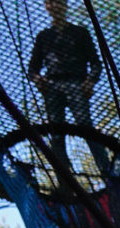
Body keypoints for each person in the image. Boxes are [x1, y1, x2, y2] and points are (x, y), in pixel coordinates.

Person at [27, 0, 100, 131]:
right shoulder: (44, 37)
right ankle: (57, 152)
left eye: (58, 2)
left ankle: (99, 152)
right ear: (46, 6)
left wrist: (90, 81)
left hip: (76, 82)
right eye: (50, 3)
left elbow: (95, 63)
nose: (54, 7)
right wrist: (38, 80)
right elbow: (33, 68)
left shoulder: (80, 33)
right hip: (52, 84)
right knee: (56, 131)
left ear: (65, 5)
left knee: (85, 125)